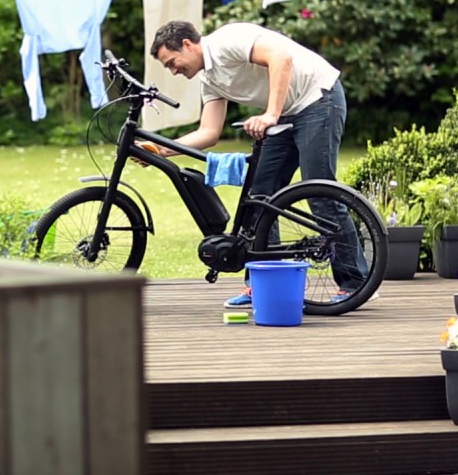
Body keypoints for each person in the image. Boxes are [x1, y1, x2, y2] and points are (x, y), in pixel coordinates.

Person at [145, 20, 370, 308]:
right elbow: (209, 133)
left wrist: (270, 115)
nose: (173, 70)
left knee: (320, 193)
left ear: (187, 45)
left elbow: (281, 57)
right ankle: (263, 285)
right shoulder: (210, 79)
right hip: (283, 114)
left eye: (171, 62)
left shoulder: (228, 39)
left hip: (318, 99)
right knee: (258, 199)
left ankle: (355, 284)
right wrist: (158, 150)